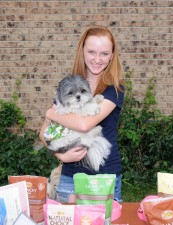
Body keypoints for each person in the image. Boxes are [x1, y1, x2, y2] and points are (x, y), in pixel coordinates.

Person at [39, 25, 125, 203]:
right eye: (92, 52)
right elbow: (43, 133)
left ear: (112, 56)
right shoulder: (68, 86)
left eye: (104, 53)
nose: (97, 59)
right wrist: (60, 155)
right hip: (71, 177)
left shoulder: (114, 89)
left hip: (105, 177)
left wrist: (51, 113)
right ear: (82, 51)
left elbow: (85, 125)